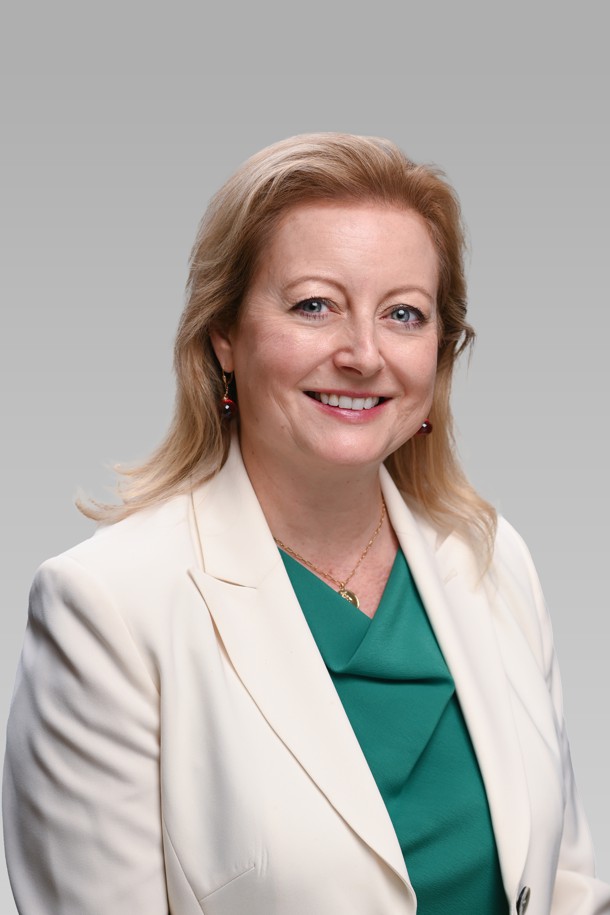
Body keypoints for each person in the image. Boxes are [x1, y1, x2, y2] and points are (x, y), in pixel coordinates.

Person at [3, 133, 608, 915]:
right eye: (315, 305)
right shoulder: (107, 608)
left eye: (403, 313)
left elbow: (567, 887)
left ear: (438, 352)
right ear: (224, 333)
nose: (363, 353)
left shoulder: (492, 558)